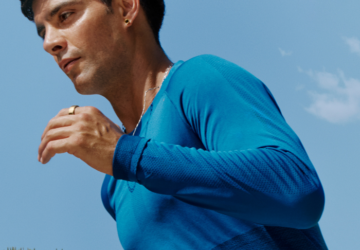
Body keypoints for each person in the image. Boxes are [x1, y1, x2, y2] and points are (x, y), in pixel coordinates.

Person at [20, 0, 328, 249]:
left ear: (126, 8)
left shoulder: (199, 79)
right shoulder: (113, 188)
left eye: (65, 15)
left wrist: (126, 154)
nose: (50, 43)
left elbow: (298, 192)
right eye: (42, 31)